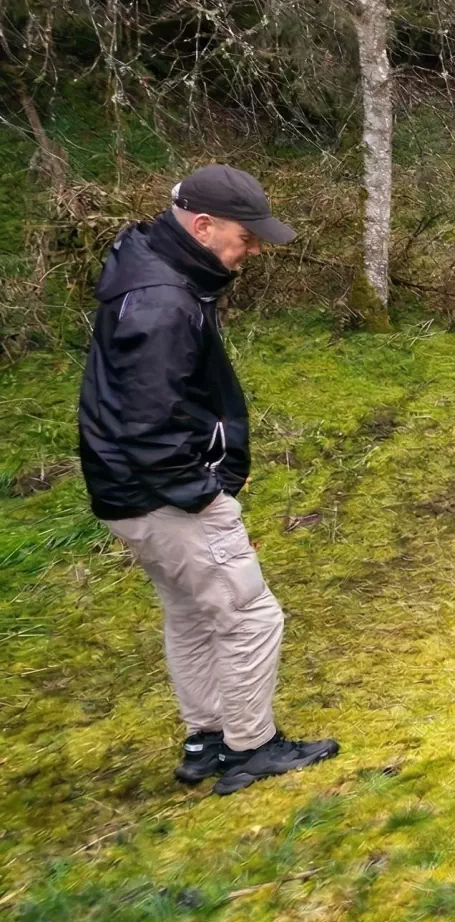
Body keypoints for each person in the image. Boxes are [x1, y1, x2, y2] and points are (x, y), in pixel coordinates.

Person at [78, 165, 339, 795]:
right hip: (166, 498)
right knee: (251, 615)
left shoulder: (154, 278)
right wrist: (204, 493)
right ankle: (252, 747)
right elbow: (147, 420)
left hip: (130, 494)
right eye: (246, 238)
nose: (251, 252)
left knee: (194, 614)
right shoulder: (163, 301)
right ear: (203, 225)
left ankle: (207, 742)